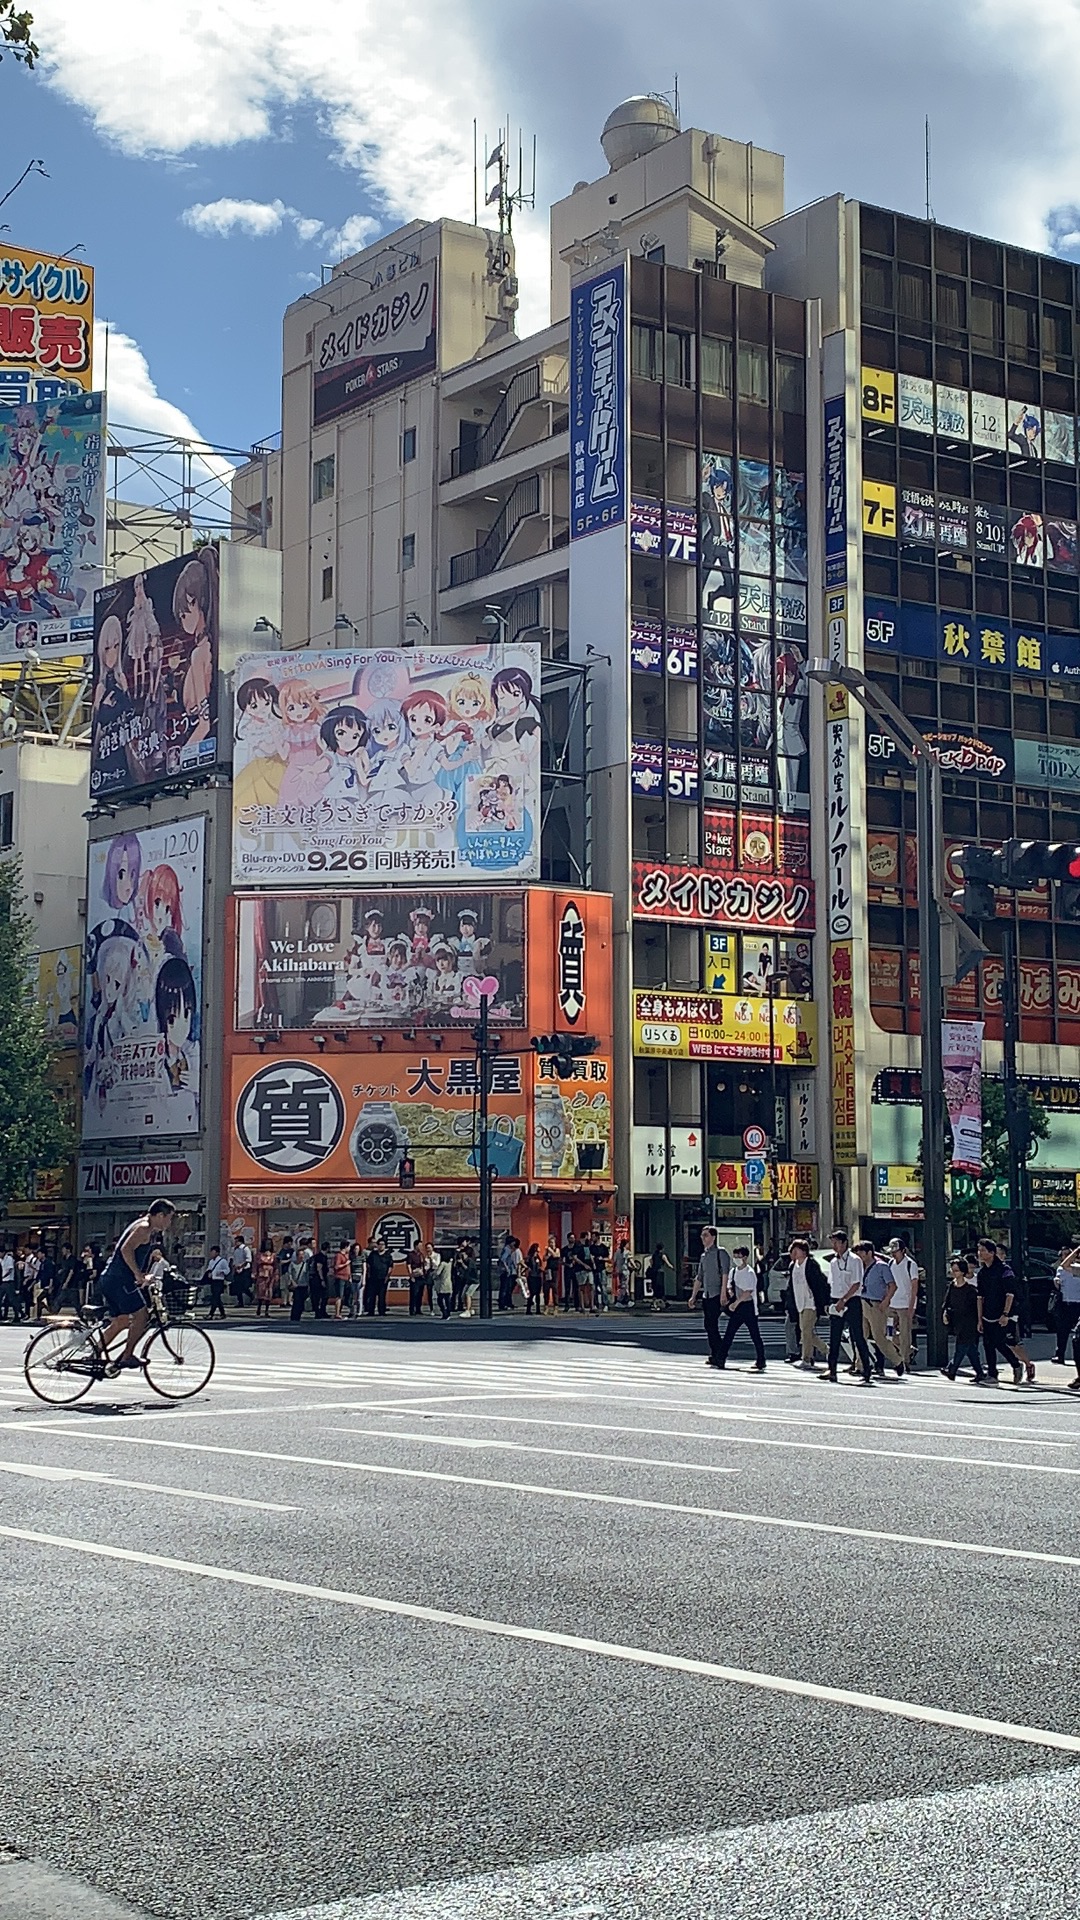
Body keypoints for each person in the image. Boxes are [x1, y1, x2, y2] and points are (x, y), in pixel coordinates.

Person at [98, 1200, 176, 1375]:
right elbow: (127, 1250)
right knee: (142, 1316)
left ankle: (94, 1353)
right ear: (160, 1215)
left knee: (123, 1320)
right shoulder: (144, 1228)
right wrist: (137, 1274)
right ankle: (127, 1356)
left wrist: (143, 1274)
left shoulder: (144, 1227)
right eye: (169, 1219)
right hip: (120, 1280)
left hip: (112, 1279)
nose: (169, 1223)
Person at [823, 1234, 873, 1385]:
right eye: (833, 1242)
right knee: (834, 1336)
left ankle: (866, 1369)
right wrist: (831, 1302)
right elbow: (831, 1283)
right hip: (836, 1299)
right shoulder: (833, 1262)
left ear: (845, 1243)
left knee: (857, 1335)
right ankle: (832, 1370)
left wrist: (843, 1300)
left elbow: (856, 1284)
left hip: (851, 1301)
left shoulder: (854, 1260)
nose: (834, 1246)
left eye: (837, 1242)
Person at [976, 1239, 1028, 1384]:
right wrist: (979, 1318)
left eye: (983, 1250)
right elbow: (980, 1297)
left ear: (992, 1253)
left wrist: (1006, 1314)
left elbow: (1010, 1293)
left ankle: (1016, 1364)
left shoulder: (1005, 1270)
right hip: (987, 1314)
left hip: (1002, 1314)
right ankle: (992, 1374)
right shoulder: (982, 1273)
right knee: (988, 1344)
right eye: (979, 1250)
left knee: (999, 1342)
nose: (979, 1253)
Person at [854, 1240, 905, 1376]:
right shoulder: (859, 1266)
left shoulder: (881, 1266)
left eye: (862, 1253)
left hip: (875, 1304)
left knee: (879, 1338)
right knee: (860, 1336)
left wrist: (886, 1301)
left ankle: (898, 1360)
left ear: (869, 1253)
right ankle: (860, 1365)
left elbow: (892, 1285)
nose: (860, 1256)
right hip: (862, 1302)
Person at [713, 1244, 766, 1371]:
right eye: (735, 1255)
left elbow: (748, 1292)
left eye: (739, 1256)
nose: (736, 1258)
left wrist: (735, 1303)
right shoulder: (734, 1271)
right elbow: (730, 1285)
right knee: (729, 1334)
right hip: (737, 1306)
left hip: (747, 1306)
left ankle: (761, 1360)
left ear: (745, 1257)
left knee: (755, 1335)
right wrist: (730, 1292)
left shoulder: (749, 1272)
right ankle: (721, 1359)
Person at [688, 1227, 727, 1367]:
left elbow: (725, 1274)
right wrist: (693, 1296)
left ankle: (720, 1353)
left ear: (713, 1237)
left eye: (705, 1235)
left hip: (717, 1294)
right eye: (702, 1235)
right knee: (709, 1325)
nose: (703, 1238)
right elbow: (699, 1277)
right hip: (707, 1294)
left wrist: (723, 1292)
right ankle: (716, 1353)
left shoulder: (720, 1253)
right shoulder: (703, 1256)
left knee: (712, 1325)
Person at [787, 1238, 829, 1367]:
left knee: (805, 1331)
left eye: (797, 1250)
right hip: (799, 1303)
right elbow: (791, 1287)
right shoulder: (793, 1266)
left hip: (810, 1303)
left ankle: (807, 1358)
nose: (794, 1253)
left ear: (804, 1251)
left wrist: (822, 1303)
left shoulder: (811, 1264)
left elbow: (819, 1284)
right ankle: (827, 1350)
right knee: (806, 1332)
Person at [942, 1256, 984, 1382]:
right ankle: (980, 1372)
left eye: (957, 1270)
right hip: (957, 1321)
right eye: (952, 1270)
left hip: (969, 1322)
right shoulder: (952, 1286)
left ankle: (952, 1369)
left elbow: (977, 1307)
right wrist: (945, 1314)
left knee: (961, 1346)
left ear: (963, 1271)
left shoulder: (971, 1290)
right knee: (970, 1349)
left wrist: (979, 1321)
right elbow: (947, 1302)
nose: (954, 1273)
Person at [885, 1237, 920, 1369]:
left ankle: (905, 1361)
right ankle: (908, 1350)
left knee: (905, 1333)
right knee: (888, 1332)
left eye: (896, 1251)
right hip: (892, 1303)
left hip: (905, 1303)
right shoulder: (890, 1264)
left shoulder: (910, 1264)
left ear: (903, 1251)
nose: (893, 1254)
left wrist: (912, 1306)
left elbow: (914, 1286)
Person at [1050, 1244, 1080, 1364]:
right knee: (1062, 1331)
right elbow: (1064, 1266)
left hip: (1078, 1303)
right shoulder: (1063, 1269)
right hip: (1066, 1302)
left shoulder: (1078, 1267)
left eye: (1070, 1253)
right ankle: (1060, 1354)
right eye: (1065, 1254)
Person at [364, 1237, 392, 1317]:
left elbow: (390, 1267)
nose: (381, 1246)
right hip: (373, 1278)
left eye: (383, 1244)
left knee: (382, 1295)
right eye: (379, 1244)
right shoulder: (373, 1254)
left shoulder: (388, 1255)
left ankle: (381, 1311)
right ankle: (370, 1311)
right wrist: (368, 1274)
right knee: (371, 1295)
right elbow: (368, 1264)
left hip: (383, 1278)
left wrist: (387, 1276)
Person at [204, 1245, 230, 1321]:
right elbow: (209, 1269)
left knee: (215, 1297)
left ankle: (211, 1314)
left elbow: (227, 1270)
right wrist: (208, 1272)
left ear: (217, 1253)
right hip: (213, 1280)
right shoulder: (211, 1261)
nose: (211, 1254)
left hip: (219, 1280)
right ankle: (223, 1313)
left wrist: (221, 1272)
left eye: (213, 1252)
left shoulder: (222, 1261)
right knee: (217, 1298)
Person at [290, 1240, 313, 1321]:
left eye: (303, 1255)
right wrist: (292, 1282)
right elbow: (289, 1274)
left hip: (304, 1284)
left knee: (302, 1301)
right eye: (300, 1255)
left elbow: (307, 1275)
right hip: (296, 1285)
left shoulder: (305, 1265)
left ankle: (299, 1315)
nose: (302, 1256)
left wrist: (309, 1284)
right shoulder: (293, 1264)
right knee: (297, 1301)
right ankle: (294, 1317)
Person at [497, 1236, 522, 1312]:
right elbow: (503, 1259)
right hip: (506, 1272)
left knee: (506, 1288)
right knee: (504, 1288)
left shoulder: (507, 1249)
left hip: (507, 1271)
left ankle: (505, 1303)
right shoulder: (507, 1249)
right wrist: (507, 1268)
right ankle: (502, 1304)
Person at [253, 1239, 275, 1318]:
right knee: (260, 1292)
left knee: (268, 1292)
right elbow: (255, 1264)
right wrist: (254, 1273)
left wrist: (276, 1275)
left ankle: (267, 1310)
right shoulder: (259, 1255)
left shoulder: (273, 1255)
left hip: (270, 1275)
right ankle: (258, 1309)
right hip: (261, 1274)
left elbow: (276, 1266)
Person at [648, 1242, 673, 1310]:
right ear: (662, 1248)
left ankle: (654, 1302)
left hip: (654, 1272)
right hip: (660, 1272)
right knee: (661, 1288)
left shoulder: (654, 1255)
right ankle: (663, 1302)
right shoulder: (663, 1255)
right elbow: (668, 1264)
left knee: (655, 1287)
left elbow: (651, 1263)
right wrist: (672, 1267)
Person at [230, 1238, 253, 1310]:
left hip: (245, 1269)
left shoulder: (245, 1249)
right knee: (237, 1286)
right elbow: (234, 1259)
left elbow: (248, 1259)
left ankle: (251, 1295)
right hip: (237, 1269)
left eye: (236, 1241)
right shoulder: (236, 1250)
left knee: (244, 1286)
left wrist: (241, 1266)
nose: (235, 1243)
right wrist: (234, 1267)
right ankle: (240, 1302)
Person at [308, 1242, 330, 1319]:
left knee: (320, 1296)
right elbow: (319, 1268)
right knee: (321, 1296)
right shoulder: (321, 1257)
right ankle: (319, 1312)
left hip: (315, 1278)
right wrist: (322, 1279)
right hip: (318, 1279)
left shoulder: (318, 1256)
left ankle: (321, 1311)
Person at [329, 1242, 350, 1320]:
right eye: (348, 1247)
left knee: (344, 1296)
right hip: (340, 1277)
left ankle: (340, 1313)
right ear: (345, 1247)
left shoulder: (346, 1255)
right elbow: (337, 1266)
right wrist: (345, 1264)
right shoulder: (339, 1255)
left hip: (346, 1278)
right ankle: (337, 1313)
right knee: (339, 1296)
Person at [431, 1247, 453, 1321]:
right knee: (447, 1299)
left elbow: (438, 1273)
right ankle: (448, 1313)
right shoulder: (450, 1263)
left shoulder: (443, 1264)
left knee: (440, 1299)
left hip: (442, 1283)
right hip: (449, 1282)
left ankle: (444, 1313)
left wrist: (433, 1274)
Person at [408, 1243, 428, 1317]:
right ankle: (412, 1309)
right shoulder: (411, 1255)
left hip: (421, 1276)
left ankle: (418, 1309)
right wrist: (411, 1276)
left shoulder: (421, 1255)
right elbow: (409, 1265)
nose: (421, 1247)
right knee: (414, 1294)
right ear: (415, 1246)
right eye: (419, 1246)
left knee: (420, 1293)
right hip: (414, 1275)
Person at [275, 1237, 296, 1309]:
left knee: (291, 1287)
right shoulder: (282, 1251)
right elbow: (280, 1262)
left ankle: (289, 1301)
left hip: (292, 1271)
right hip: (284, 1271)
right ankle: (283, 1301)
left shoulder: (292, 1251)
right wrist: (289, 1260)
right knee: (284, 1287)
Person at [524, 1242, 543, 1315]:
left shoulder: (537, 1257)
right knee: (532, 1293)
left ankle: (538, 1309)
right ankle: (528, 1310)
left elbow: (539, 1266)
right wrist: (528, 1269)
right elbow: (526, 1263)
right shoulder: (530, 1257)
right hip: (532, 1277)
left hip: (538, 1276)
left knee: (538, 1293)